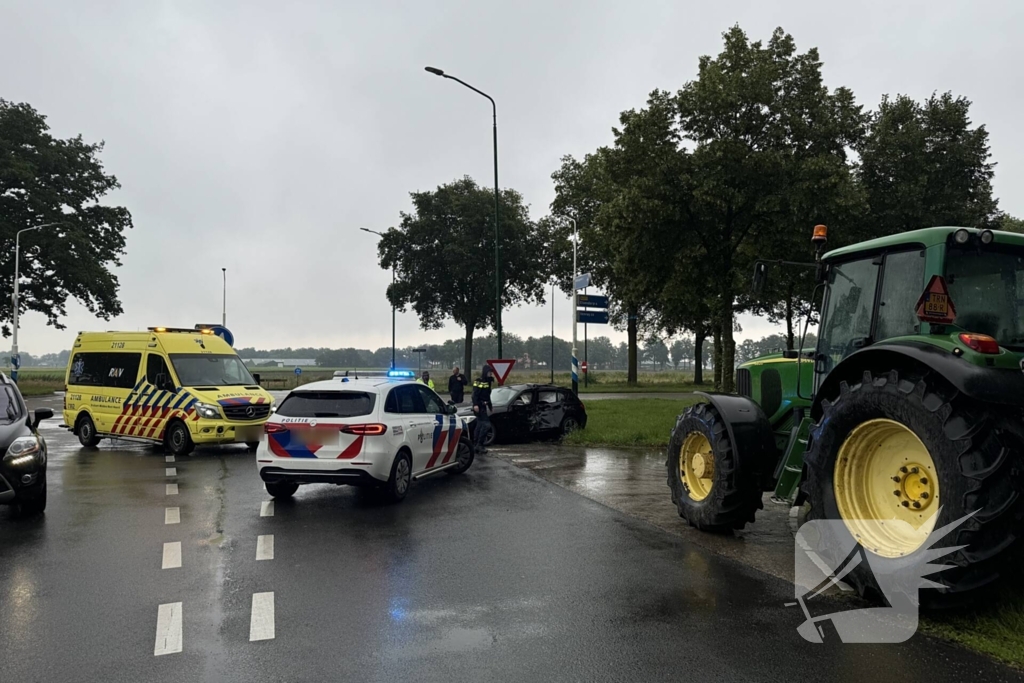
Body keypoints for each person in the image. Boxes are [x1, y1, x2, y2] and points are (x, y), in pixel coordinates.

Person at [471, 364, 494, 453]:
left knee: (480, 425)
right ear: (485, 372)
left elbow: (487, 396)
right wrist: (475, 404)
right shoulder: (478, 381)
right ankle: (479, 444)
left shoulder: (488, 382)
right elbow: (474, 394)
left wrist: (490, 406)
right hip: (479, 406)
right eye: (489, 372)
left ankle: (476, 444)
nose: (491, 374)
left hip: (483, 406)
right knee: (486, 425)